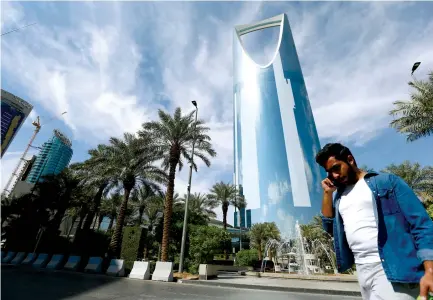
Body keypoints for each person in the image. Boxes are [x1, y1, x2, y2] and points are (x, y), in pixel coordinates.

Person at [315, 143, 433, 300]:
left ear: (350, 159)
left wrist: (430, 271)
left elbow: (421, 224)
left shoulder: (387, 182)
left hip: (391, 268)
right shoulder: (339, 197)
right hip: (362, 270)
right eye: (329, 173)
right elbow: (329, 227)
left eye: (336, 168)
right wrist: (327, 193)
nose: (334, 176)